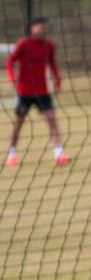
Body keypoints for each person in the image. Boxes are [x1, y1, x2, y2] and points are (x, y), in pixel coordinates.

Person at [5, 17, 70, 167]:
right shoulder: (23, 44)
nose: (41, 30)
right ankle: (12, 155)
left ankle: (59, 155)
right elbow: (10, 62)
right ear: (32, 29)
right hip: (25, 92)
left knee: (52, 119)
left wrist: (58, 80)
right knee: (18, 124)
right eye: (38, 28)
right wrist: (11, 78)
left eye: (43, 28)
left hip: (42, 92)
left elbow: (52, 64)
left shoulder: (49, 46)